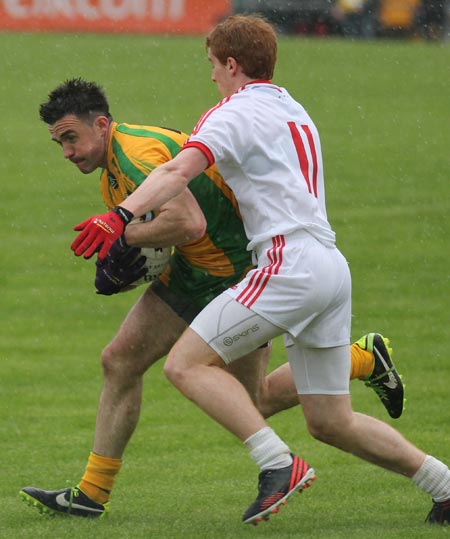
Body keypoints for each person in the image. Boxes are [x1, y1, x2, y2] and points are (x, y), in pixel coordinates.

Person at [64, 15, 450, 527]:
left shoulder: (230, 113)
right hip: (330, 267)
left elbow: (178, 170)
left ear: (231, 64)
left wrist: (119, 216)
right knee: (331, 421)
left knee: (185, 365)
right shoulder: (293, 107)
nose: (211, 78)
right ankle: (443, 485)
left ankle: (277, 464)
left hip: (286, 264)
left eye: (213, 66)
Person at [21, 78, 404, 520]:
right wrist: (127, 265)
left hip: (235, 272)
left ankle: (359, 360)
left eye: (71, 137)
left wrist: (121, 236)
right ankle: (91, 493)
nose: (67, 151)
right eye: (60, 143)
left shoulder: (136, 155)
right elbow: (168, 239)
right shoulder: (113, 174)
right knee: (119, 360)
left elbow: (188, 222)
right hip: (191, 271)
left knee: (253, 400)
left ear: (102, 125)